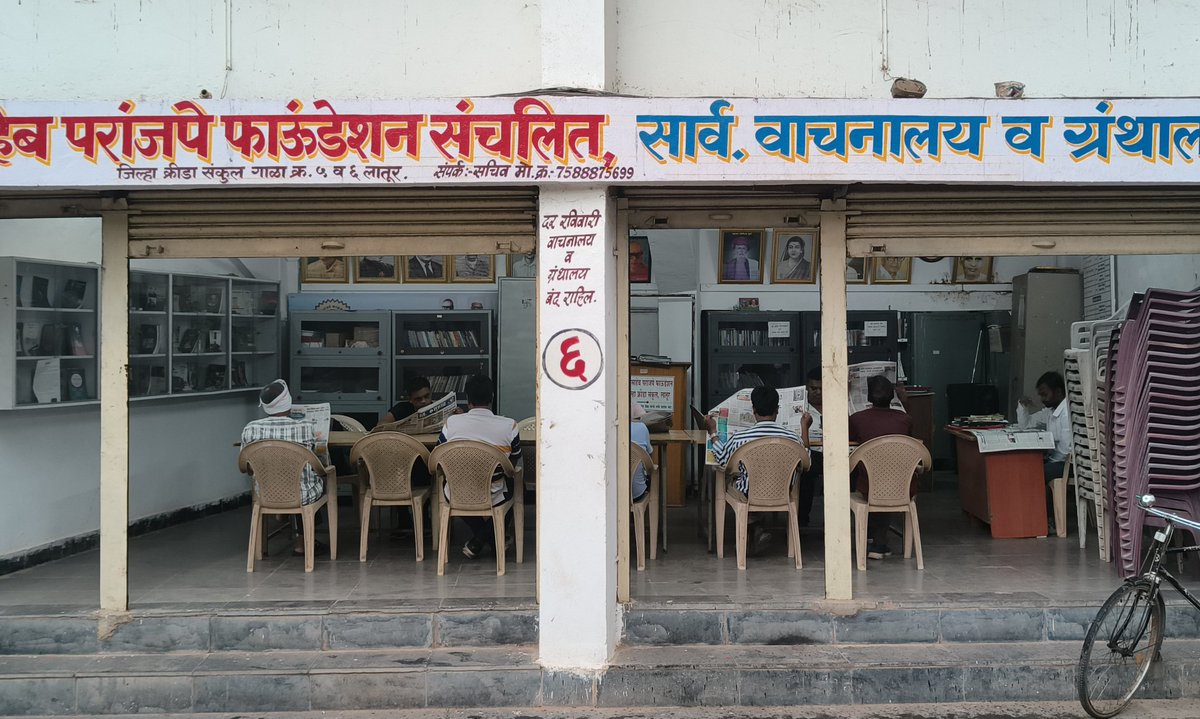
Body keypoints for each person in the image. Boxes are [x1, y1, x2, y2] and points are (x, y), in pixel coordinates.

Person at [706, 385, 811, 556]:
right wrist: (804, 428)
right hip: (783, 491)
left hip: (749, 492)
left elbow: (723, 460)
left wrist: (713, 432)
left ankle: (752, 525)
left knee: (730, 481)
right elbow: (806, 463)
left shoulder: (740, 438)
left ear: (753, 409)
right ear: (777, 410)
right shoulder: (792, 438)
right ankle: (755, 527)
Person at [436, 375, 522, 559]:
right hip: (494, 491)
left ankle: (481, 538)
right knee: (511, 484)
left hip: (457, 491)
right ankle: (491, 539)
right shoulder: (509, 425)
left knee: (453, 492)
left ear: (468, 399)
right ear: (491, 397)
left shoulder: (451, 423)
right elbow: (513, 463)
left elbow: (439, 457)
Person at [240, 379, 325, 556]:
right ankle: (303, 542)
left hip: (266, 493)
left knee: (289, 483)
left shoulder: (250, 429)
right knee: (317, 480)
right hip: (302, 493)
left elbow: (246, 467)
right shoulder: (305, 427)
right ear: (288, 402)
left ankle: (275, 531)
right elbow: (315, 461)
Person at [848, 374, 915, 560]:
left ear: (869, 397)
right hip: (902, 484)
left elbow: (849, 435)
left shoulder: (857, 418)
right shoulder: (904, 419)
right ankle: (877, 540)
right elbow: (910, 435)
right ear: (892, 396)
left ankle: (877, 541)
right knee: (887, 478)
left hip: (869, 484)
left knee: (867, 475)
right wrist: (905, 401)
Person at [1016, 371, 1071, 484]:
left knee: (1033, 472)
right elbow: (1025, 425)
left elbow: (1065, 450)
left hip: (1069, 464)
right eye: (1040, 395)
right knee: (1024, 466)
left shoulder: (1067, 411)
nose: (1042, 399)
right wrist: (1023, 407)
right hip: (1056, 459)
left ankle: (1038, 501)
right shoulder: (1050, 411)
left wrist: (1049, 461)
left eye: (1045, 394)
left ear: (1058, 392)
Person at [797, 368, 824, 526]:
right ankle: (801, 520)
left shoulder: (838, 405)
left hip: (835, 453)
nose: (818, 392)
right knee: (805, 471)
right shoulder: (801, 407)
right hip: (811, 452)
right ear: (807, 388)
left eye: (822, 388)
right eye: (814, 388)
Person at [631, 405, 653, 503]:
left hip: (612, 493)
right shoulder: (642, 428)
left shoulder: (609, 430)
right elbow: (649, 456)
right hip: (637, 493)